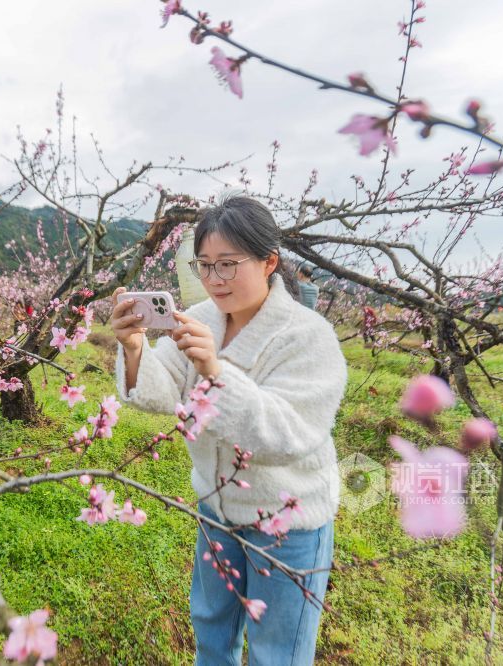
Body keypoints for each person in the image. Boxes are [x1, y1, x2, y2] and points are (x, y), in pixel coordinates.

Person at [109, 195, 347, 665]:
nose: (215, 280)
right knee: (212, 629)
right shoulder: (200, 320)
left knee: (276, 651)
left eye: (228, 265)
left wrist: (217, 372)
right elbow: (162, 392)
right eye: (205, 266)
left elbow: (289, 434)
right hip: (217, 509)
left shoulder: (308, 337)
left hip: (287, 521)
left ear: (269, 262)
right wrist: (135, 348)